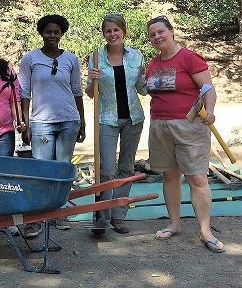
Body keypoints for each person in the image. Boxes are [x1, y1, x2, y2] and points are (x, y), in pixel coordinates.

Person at [146, 16, 225, 252]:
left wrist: (209, 110)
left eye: (161, 32)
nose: (157, 37)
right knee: (170, 176)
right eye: (152, 35)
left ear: (171, 32)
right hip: (160, 126)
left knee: (197, 178)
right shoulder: (153, 63)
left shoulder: (188, 58)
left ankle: (205, 231)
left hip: (189, 126)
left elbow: (208, 89)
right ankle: (174, 223)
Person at [19, 14, 86, 238]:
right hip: (41, 123)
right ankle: (36, 217)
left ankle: (59, 212)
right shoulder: (30, 59)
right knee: (41, 170)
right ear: (41, 32)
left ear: (61, 34)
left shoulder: (71, 60)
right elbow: (24, 94)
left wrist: (82, 120)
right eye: (48, 31)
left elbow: (77, 91)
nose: (52, 35)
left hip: (69, 120)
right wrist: (25, 122)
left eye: (56, 32)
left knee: (62, 168)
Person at [85, 13, 147, 234]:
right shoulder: (95, 57)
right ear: (104, 34)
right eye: (108, 30)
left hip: (133, 118)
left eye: (116, 30)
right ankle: (101, 217)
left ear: (124, 32)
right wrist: (92, 80)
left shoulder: (136, 57)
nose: (112, 34)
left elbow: (142, 88)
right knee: (107, 169)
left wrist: (158, 80)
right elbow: (91, 94)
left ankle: (119, 216)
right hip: (106, 119)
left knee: (126, 168)